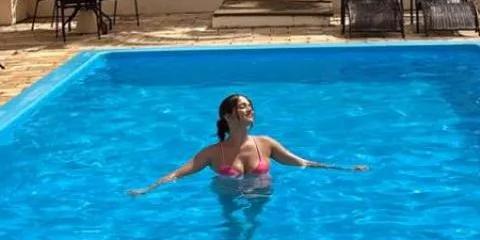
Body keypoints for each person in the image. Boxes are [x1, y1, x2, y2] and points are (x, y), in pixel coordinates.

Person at [127, 92, 367, 197]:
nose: (250, 109)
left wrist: (344, 169)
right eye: (243, 106)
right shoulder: (213, 153)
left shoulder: (266, 144)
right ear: (228, 116)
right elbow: (179, 173)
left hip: (261, 198)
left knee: (253, 230)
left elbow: (302, 163)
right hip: (228, 199)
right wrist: (147, 189)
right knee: (233, 230)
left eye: (249, 105)